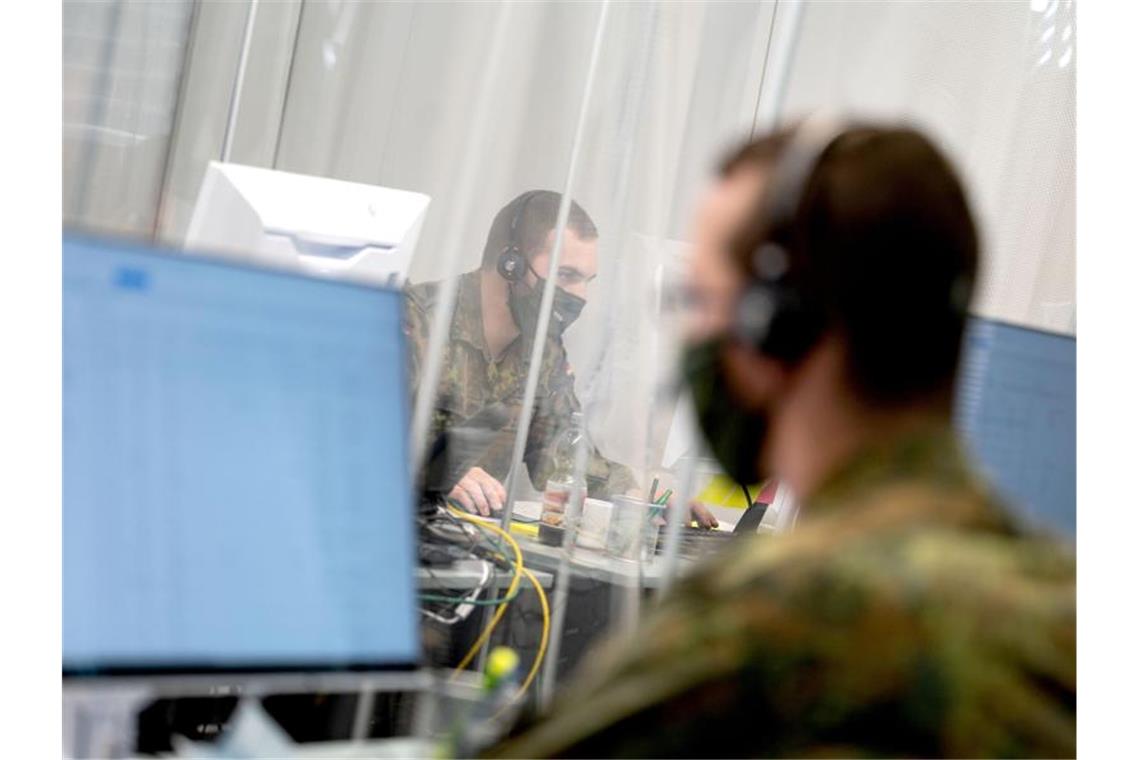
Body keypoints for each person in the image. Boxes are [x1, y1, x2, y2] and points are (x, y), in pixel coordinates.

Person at [488, 120, 1076, 758]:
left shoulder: (781, 612)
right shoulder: (1066, 603)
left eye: (702, 301)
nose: (694, 339)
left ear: (776, 328)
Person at [406, 190, 638, 513]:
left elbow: (564, 460)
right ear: (510, 263)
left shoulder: (542, 354)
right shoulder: (417, 320)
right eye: (567, 275)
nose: (580, 296)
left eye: (587, 281)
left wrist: (639, 499)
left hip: (461, 548)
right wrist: (427, 465)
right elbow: (353, 433)